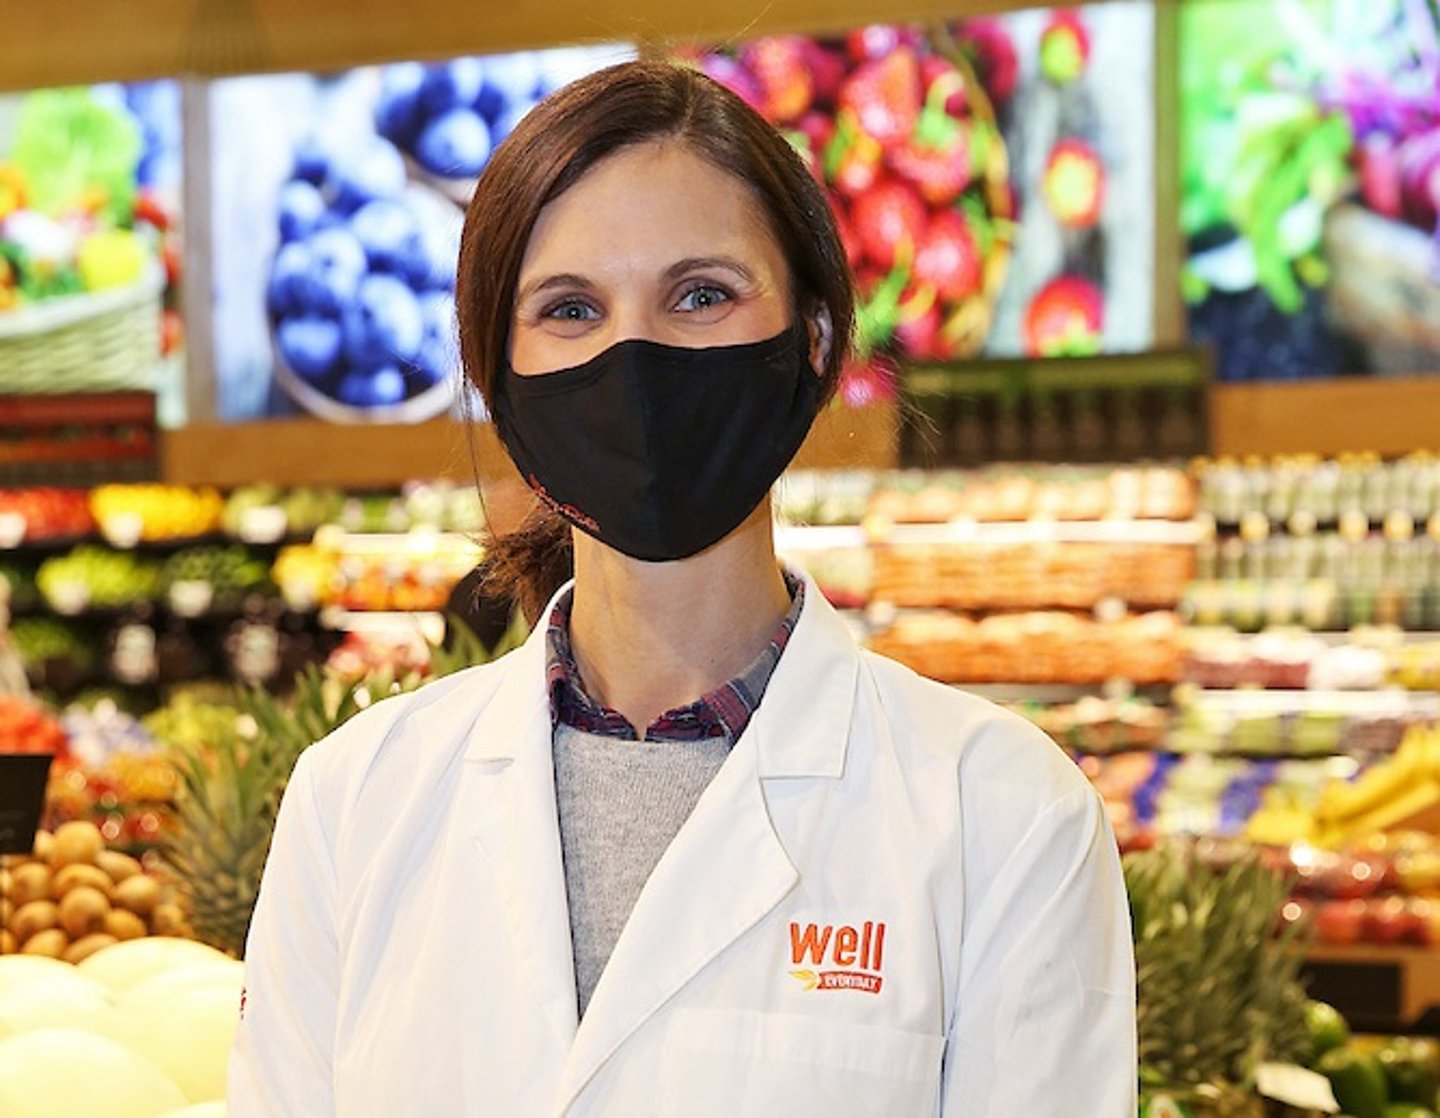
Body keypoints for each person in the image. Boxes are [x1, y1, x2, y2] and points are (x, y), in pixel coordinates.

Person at [228, 59, 1135, 1116]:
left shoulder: (1005, 817)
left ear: (814, 340)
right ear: (499, 379)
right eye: (569, 308)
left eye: (700, 295)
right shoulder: (354, 804)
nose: (636, 358)